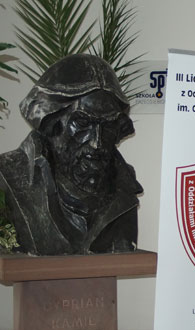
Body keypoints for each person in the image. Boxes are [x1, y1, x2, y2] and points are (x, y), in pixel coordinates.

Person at [0, 54, 142, 255]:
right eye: (82, 123)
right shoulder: (7, 176)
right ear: (51, 122)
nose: (97, 143)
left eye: (108, 125)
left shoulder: (124, 186)